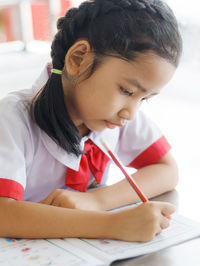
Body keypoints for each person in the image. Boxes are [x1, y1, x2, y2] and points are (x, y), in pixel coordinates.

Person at [0, 0, 182, 242]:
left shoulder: (116, 117)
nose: (132, 112)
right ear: (79, 59)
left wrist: (97, 200)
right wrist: (112, 224)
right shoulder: (13, 118)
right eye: (127, 91)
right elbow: (4, 213)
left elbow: (167, 170)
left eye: (145, 99)